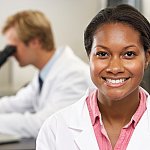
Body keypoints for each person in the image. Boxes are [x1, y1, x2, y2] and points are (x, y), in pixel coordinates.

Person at [36, 4, 150, 150]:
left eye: (128, 54)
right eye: (102, 54)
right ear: (89, 57)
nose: (114, 68)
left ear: (146, 58)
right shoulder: (55, 129)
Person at [0, 10, 91, 138]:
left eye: (13, 48)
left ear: (34, 42)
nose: (11, 55)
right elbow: (16, 103)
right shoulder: (45, 73)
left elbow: (44, 124)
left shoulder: (74, 75)